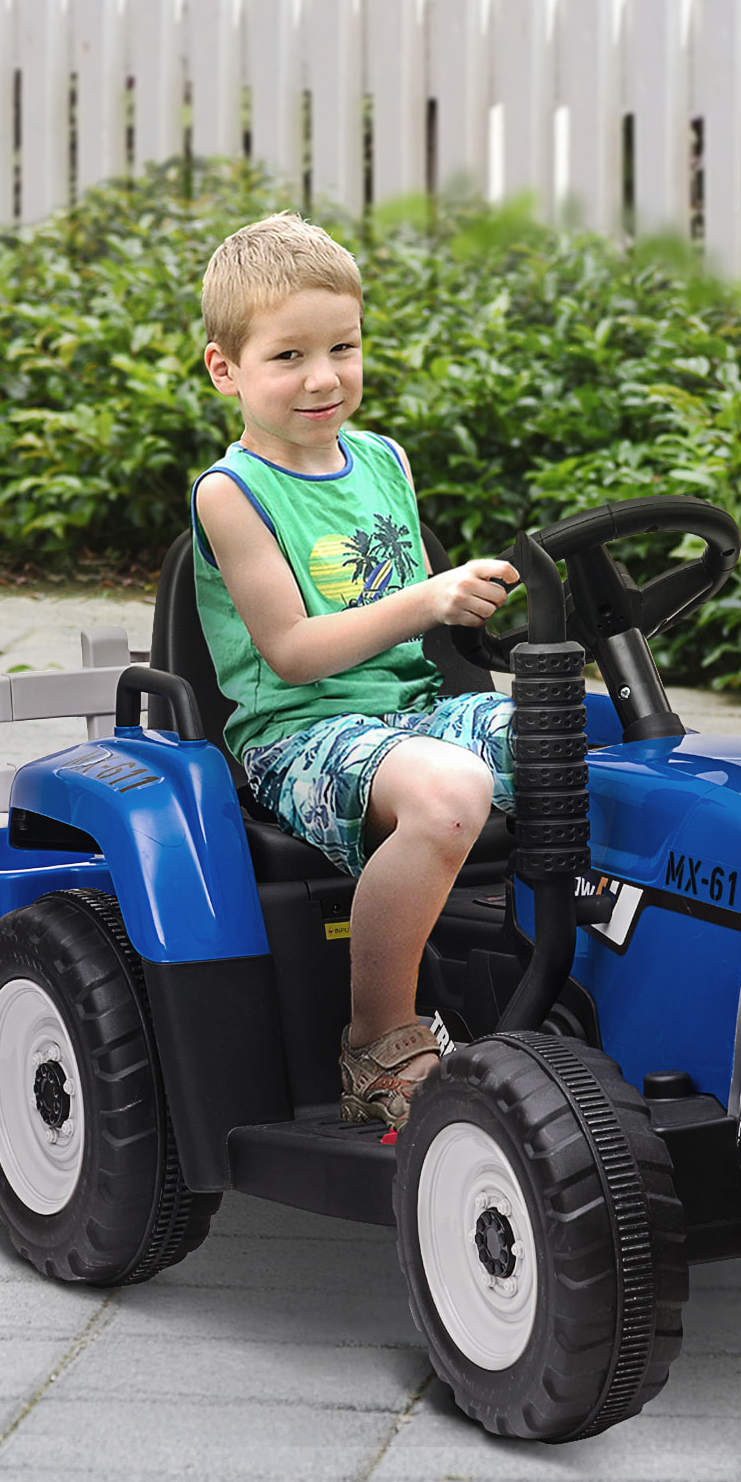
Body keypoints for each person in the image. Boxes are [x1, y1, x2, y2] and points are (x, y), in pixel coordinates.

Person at [191, 214, 521, 1127]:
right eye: (289, 356)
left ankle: (568, 985)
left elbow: (426, 645)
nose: (325, 377)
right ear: (227, 370)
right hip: (300, 734)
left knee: (591, 740)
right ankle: (379, 1042)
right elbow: (292, 653)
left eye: (343, 347)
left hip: (411, 716)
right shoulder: (232, 493)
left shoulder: (384, 461)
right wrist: (429, 600)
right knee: (453, 791)